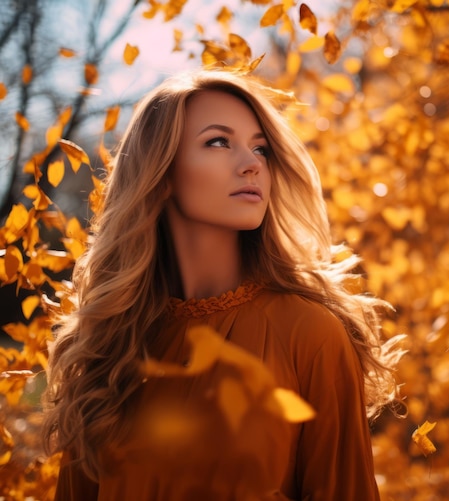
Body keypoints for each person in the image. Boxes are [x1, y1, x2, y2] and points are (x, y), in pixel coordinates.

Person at [43, 68, 403, 500]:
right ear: (162, 173)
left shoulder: (310, 333)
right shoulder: (111, 347)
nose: (252, 163)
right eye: (218, 142)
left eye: (260, 148)